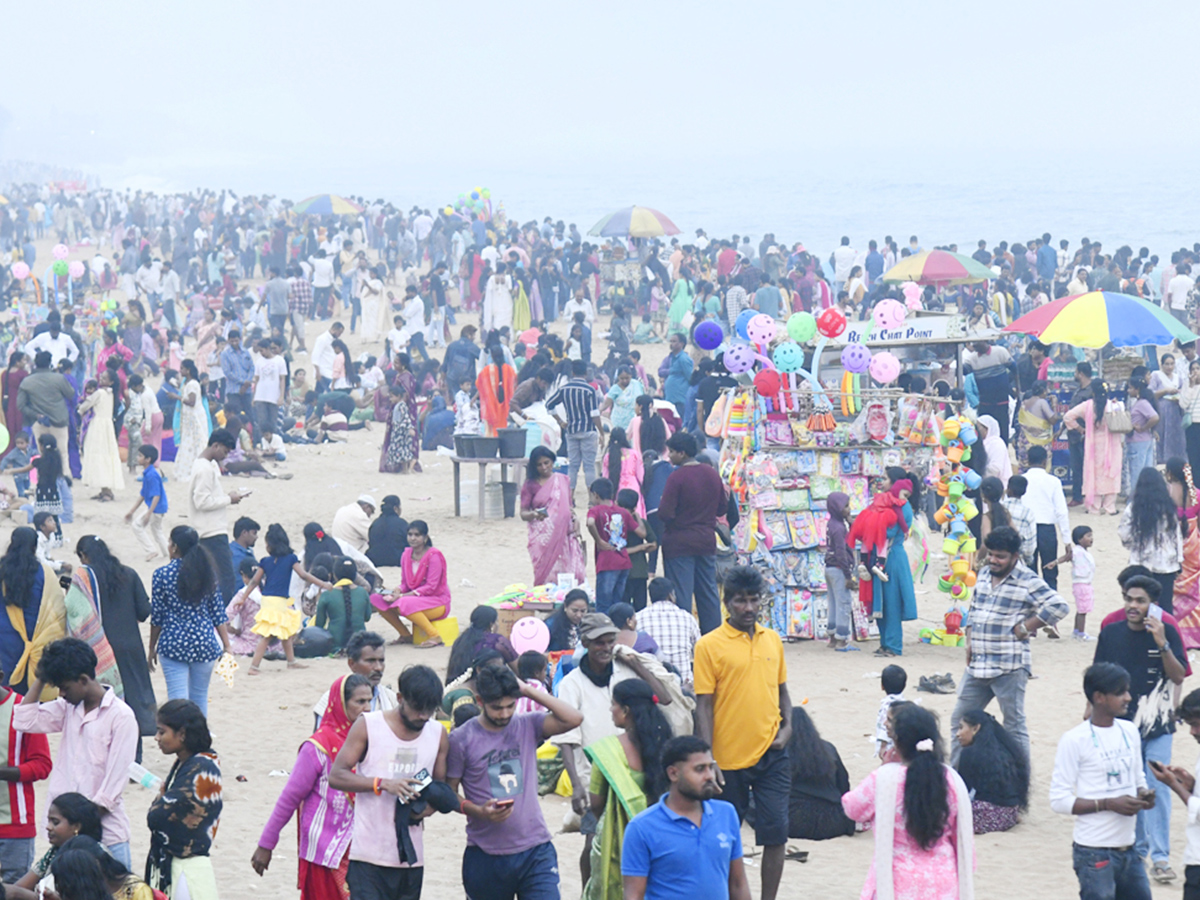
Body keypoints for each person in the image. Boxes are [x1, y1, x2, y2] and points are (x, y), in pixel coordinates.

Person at [446, 662, 584, 900]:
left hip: (536, 850)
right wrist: (478, 811)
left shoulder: (528, 724)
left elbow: (574, 718)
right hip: (485, 855)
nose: (505, 714)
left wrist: (528, 690)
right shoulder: (461, 739)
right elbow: (448, 794)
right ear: (480, 702)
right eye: (497, 708)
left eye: (511, 706)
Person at [694, 566, 791, 900]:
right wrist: (707, 759)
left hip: (773, 753)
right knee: (723, 837)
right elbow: (703, 706)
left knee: (776, 833)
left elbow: (783, 692)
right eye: (740, 601)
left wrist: (788, 727)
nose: (748, 608)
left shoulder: (773, 640)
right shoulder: (708, 646)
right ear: (726, 602)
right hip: (727, 760)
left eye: (753, 600)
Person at [1093, 575, 1186, 884]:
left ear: (1152, 604)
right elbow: (1097, 678)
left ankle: (1160, 858)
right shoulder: (1111, 631)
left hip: (1159, 725)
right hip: (1119, 726)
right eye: (1129, 599)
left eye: (1140, 601)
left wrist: (1162, 644)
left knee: (1157, 786)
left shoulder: (1168, 630)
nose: (1133, 606)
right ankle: (1139, 851)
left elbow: (1178, 675)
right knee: (1128, 787)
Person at [949, 526, 1068, 765]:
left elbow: (1059, 606)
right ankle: (957, 777)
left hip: (1009, 666)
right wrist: (969, 641)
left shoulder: (1028, 581)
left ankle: (1018, 778)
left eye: (1000, 556)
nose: (994, 560)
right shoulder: (983, 574)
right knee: (959, 719)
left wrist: (1026, 627)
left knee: (1013, 725)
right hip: (978, 665)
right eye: (991, 554)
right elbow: (974, 609)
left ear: (1015, 556)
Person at [329, 665, 449, 900]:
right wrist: (383, 784)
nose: (423, 716)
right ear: (400, 698)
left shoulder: (437, 734)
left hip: (411, 859)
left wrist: (424, 810)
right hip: (368, 857)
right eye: (417, 709)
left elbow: (440, 789)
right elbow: (337, 775)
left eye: (429, 710)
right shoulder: (368, 725)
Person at [14, 638, 137, 869]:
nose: (60, 694)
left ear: (83, 680)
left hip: (107, 835)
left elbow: (113, 786)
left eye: (64, 687)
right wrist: (43, 674)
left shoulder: (121, 717)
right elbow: (24, 720)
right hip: (68, 836)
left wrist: (79, 826)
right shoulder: (68, 709)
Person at [253, 674, 372, 896]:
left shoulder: (371, 741)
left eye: (369, 701)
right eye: (359, 702)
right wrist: (266, 844)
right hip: (324, 849)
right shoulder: (318, 746)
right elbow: (289, 798)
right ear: (340, 704)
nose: (367, 708)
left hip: (361, 848)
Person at [842, 704, 975, 900]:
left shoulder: (884, 778)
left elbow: (852, 808)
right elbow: (961, 835)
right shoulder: (952, 779)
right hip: (944, 879)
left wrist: (885, 765)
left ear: (896, 741)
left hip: (897, 880)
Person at [1051, 662, 1155, 899]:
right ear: (1099, 697)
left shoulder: (1129, 731)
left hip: (1130, 849)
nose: (1128, 697)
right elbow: (1059, 800)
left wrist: (1144, 795)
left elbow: (1138, 777)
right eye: (1120, 692)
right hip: (1094, 852)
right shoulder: (1075, 740)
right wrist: (1108, 804)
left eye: (1127, 690)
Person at [620, 735, 750, 900]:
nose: (710, 776)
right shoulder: (642, 828)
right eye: (699, 769)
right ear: (673, 774)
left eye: (711, 767)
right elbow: (633, 895)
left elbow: (738, 884)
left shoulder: (726, 814)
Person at [583, 678, 672, 900]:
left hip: (618, 844)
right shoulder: (668, 744)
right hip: (662, 836)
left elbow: (596, 804)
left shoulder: (608, 750)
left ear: (626, 710)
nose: (610, 710)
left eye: (613, 704)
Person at [72, 536, 156, 748]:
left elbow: (76, 614)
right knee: (133, 701)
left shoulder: (85, 579)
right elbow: (145, 611)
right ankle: (134, 756)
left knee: (103, 702)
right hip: (130, 646)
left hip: (98, 649)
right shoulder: (129, 573)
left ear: (84, 555)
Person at [149, 526, 231, 716]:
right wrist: (227, 645)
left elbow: (157, 617)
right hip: (204, 642)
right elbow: (217, 612)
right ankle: (199, 737)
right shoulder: (207, 572)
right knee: (200, 696)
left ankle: (180, 737)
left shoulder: (162, 574)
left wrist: (151, 647)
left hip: (173, 643)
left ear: (175, 547)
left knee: (178, 699)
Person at [145, 699, 222, 900]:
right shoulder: (188, 763)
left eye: (162, 732)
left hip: (186, 871)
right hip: (178, 867)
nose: (156, 737)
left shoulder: (201, 769)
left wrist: (159, 801)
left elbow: (157, 817)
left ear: (182, 734)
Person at [658, 432, 724, 634]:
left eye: (671, 452)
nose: (669, 456)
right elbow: (722, 508)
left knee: (681, 594)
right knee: (708, 593)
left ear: (682, 453)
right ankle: (713, 639)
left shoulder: (676, 477)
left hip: (679, 543)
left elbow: (665, 512)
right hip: (706, 541)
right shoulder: (712, 473)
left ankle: (684, 636)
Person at [244, 523, 327, 674]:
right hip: (279, 600)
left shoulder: (265, 561)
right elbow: (303, 575)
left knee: (286, 632)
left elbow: (254, 581)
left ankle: (291, 661)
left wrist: (243, 597)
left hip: (268, 599)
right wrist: (323, 584)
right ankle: (253, 667)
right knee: (268, 636)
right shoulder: (290, 559)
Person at [859, 467, 921, 657]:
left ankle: (893, 646)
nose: (882, 482)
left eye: (885, 478)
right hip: (880, 555)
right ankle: (885, 643)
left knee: (891, 603)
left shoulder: (903, 507)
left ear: (895, 482)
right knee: (881, 601)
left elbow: (890, 532)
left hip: (892, 558)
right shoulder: (887, 503)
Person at [0, 662, 52, 883]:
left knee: (15, 886)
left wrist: (4, 773)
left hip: (15, 823)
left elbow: (42, 764)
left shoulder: (22, 708)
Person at [0, 527, 66, 695]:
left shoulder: (2, 569)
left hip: (5, 639)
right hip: (37, 639)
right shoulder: (45, 573)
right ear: (35, 547)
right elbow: (57, 608)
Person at [188, 429, 248, 605]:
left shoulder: (201, 465)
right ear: (215, 445)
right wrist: (229, 499)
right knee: (226, 579)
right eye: (225, 451)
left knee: (211, 579)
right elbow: (202, 501)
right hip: (212, 531)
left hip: (206, 529)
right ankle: (222, 619)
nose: (225, 455)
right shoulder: (205, 469)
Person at [370, 521, 452, 648]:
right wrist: (397, 590)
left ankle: (434, 635)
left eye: (417, 535)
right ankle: (405, 634)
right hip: (413, 598)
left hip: (437, 601)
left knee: (404, 602)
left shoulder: (434, 556)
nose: (413, 538)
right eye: (410, 534)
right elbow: (405, 584)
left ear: (425, 538)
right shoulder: (406, 555)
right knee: (376, 598)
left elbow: (432, 587)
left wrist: (404, 596)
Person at [1118, 467, 1184, 614]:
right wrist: (1179, 560)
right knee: (1165, 605)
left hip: (1141, 563)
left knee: (1140, 603)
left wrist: (1134, 545)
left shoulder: (1133, 508)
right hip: (1166, 564)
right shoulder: (1168, 508)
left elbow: (1124, 535)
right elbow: (1176, 536)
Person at [519, 446, 586, 586]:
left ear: (552, 462)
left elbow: (568, 507)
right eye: (539, 464)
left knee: (570, 571)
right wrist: (533, 514)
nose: (544, 467)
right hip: (542, 537)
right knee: (546, 572)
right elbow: (523, 512)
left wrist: (576, 520)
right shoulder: (530, 484)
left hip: (565, 535)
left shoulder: (562, 480)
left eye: (547, 463)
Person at [785, 706, 855, 841]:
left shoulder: (783, 753)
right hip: (832, 820)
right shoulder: (828, 749)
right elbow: (843, 785)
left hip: (795, 818)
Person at [12, 793, 103, 895]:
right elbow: (20, 886)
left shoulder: (87, 856)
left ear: (76, 826)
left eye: (55, 822)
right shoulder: (54, 852)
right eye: (49, 821)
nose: (48, 827)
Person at [955, 709, 1029, 833]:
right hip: (1009, 815)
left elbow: (963, 792)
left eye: (961, 728)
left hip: (986, 818)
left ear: (975, 728)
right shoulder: (1006, 749)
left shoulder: (969, 753)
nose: (958, 734)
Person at [311, 631, 397, 727]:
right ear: (352, 664)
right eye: (370, 661)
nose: (378, 668)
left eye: (381, 661)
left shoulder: (390, 699)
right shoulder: (331, 700)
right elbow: (321, 738)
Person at [1064, 379, 1124, 515]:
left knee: (1094, 474)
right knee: (1111, 472)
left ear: (1092, 391)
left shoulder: (1087, 406)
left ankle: (1094, 507)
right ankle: (1110, 507)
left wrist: (1080, 429)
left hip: (1093, 444)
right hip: (1112, 444)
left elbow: (1068, 417)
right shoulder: (1114, 405)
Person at [587, 479, 645, 613]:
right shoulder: (623, 512)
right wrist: (637, 516)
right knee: (617, 602)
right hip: (624, 561)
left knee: (603, 603)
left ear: (595, 495)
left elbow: (590, 523)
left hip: (607, 562)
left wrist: (599, 540)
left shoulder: (595, 510)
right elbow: (641, 533)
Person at [546, 359, 602, 496]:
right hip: (588, 430)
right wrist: (601, 431)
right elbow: (595, 414)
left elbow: (549, 405)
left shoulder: (564, 389)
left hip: (571, 431)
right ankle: (591, 497)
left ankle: (570, 497)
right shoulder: (589, 390)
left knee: (573, 466)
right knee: (589, 467)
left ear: (572, 372)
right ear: (585, 373)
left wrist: (560, 421)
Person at [1022, 446, 1073, 591]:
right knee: (1050, 571)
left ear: (1027, 460)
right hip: (1047, 531)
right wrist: (1067, 541)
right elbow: (1062, 512)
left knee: (1028, 573)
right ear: (1045, 461)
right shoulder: (1053, 481)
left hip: (1026, 530)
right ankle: (1051, 604)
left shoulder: (1021, 480)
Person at [636, 577, 701, 686]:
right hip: (683, 685)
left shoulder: (638, 618)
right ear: (671, 595)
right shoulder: (687, 617)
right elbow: (700, 651)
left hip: (651, 685)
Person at [76, 373, 123, 502]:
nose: (100, 380)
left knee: (98, 457)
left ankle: (106, 490)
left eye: (104, 378)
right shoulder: (111, 393)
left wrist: (80, 409)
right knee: (106, 456)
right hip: (107, 427)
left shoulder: (100, 393)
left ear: (111, 381)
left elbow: (85, 405)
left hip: (97, 427)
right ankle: (104, 490)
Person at [444, 606, 517, 685]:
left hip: (459, 688)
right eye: (497, 621)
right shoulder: (497, 641)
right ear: (491, 624)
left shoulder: (460, 641)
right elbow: (518, 669)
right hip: (490, 690)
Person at [314, 558, 372, 652]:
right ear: (354, 575)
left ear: (335, 575)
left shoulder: (327, 594)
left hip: (334, 643)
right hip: (360, 643)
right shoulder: (363, 592)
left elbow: (319, 625)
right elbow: (367, 617)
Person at [125, 445, 169, 560]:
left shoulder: (152, 475)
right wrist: (131, 511)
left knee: (137, 526)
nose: (137, 457)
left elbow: (156, 496)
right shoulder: (148, 474)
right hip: (159, 507)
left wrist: (149, 513)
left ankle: (151, 550)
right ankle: (168, 554)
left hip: (156, 508)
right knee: (157, 531)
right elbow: (143, 495)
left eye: (140, 456)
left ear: (148, 459)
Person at [824, 492, 855, 651]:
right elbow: (841, 552)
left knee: (834, 603)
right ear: (837, 508)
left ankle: (832, 637)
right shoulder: (839, 528)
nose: (849, 510)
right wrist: (848, 576)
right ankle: (842, 639)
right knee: (843, 603)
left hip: (830, 568)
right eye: (846, 506)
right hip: (838, 569)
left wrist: (850, 524)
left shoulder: (833, 524)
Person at [170, 360, 207, 481]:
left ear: (188, 370)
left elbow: (192, 402)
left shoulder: (192, 384)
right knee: (190, 442)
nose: (180, 371)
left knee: (195, 442)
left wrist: (177, 397)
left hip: (194, 418)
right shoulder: (187, 383)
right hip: (189, 418)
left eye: (182, 369)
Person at [1016, 380, 1058, 469]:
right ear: (1043, 390)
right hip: (1040, 443)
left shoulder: (1024, 403)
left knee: (1026, 467)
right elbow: (1053, 420)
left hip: (1025, 442)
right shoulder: (1042, 402)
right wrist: (1054, 405)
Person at [366, 495, 409, 567]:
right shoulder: (402, 523)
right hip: (397, 559)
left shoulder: (375, 523)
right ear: (395, 508)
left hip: (376, 560)